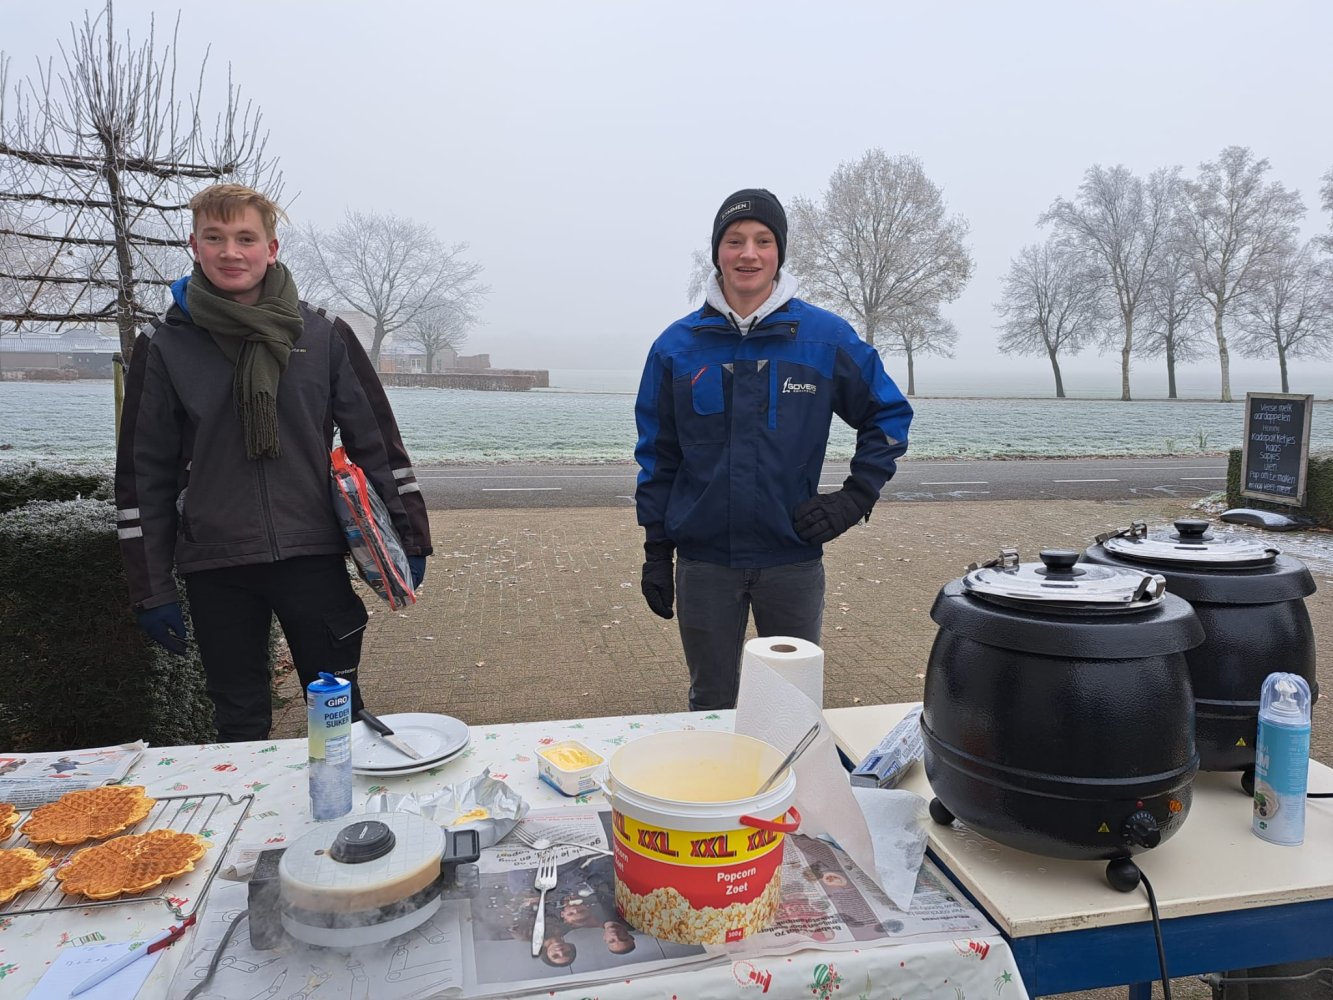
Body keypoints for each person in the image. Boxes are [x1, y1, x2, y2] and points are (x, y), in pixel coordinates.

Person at [115, 183, 432, 741]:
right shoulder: (164, 345)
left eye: (245, 238)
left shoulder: (324, 335)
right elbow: (144, 474)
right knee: (238, 722)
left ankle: (341, 802)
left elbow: (377, 444)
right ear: (194, 245)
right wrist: (152, 588)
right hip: (217, 565)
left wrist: (410, 536)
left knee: (340, 716)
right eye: (214, 238)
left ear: (272, 248)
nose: (230, 252)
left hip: (312, 554)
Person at [634, 188, 913, 710]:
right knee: (712, 701)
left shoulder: (825, 339)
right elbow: (659, 456)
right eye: (735, 240)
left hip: (792, 561)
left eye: (764, 240)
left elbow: (889, 416)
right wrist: (656, 550)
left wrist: (855, 497)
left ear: (779, 252)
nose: (749, 253)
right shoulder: (676, 348)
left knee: (793, 705)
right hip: (704, 565)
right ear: (717, 252)